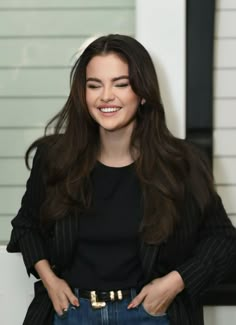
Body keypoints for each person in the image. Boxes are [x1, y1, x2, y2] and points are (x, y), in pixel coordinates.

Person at [7, 34, 236, 325]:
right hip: (71, 314)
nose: (106, 96)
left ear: (142, 93)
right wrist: (49, 279)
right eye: (94, 85)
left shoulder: (183, 163)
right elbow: (26, 226)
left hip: (151, 314)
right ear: (83, 94)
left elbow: (223, 240)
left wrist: (176, 282)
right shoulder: (54, 159)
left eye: (121, 84)